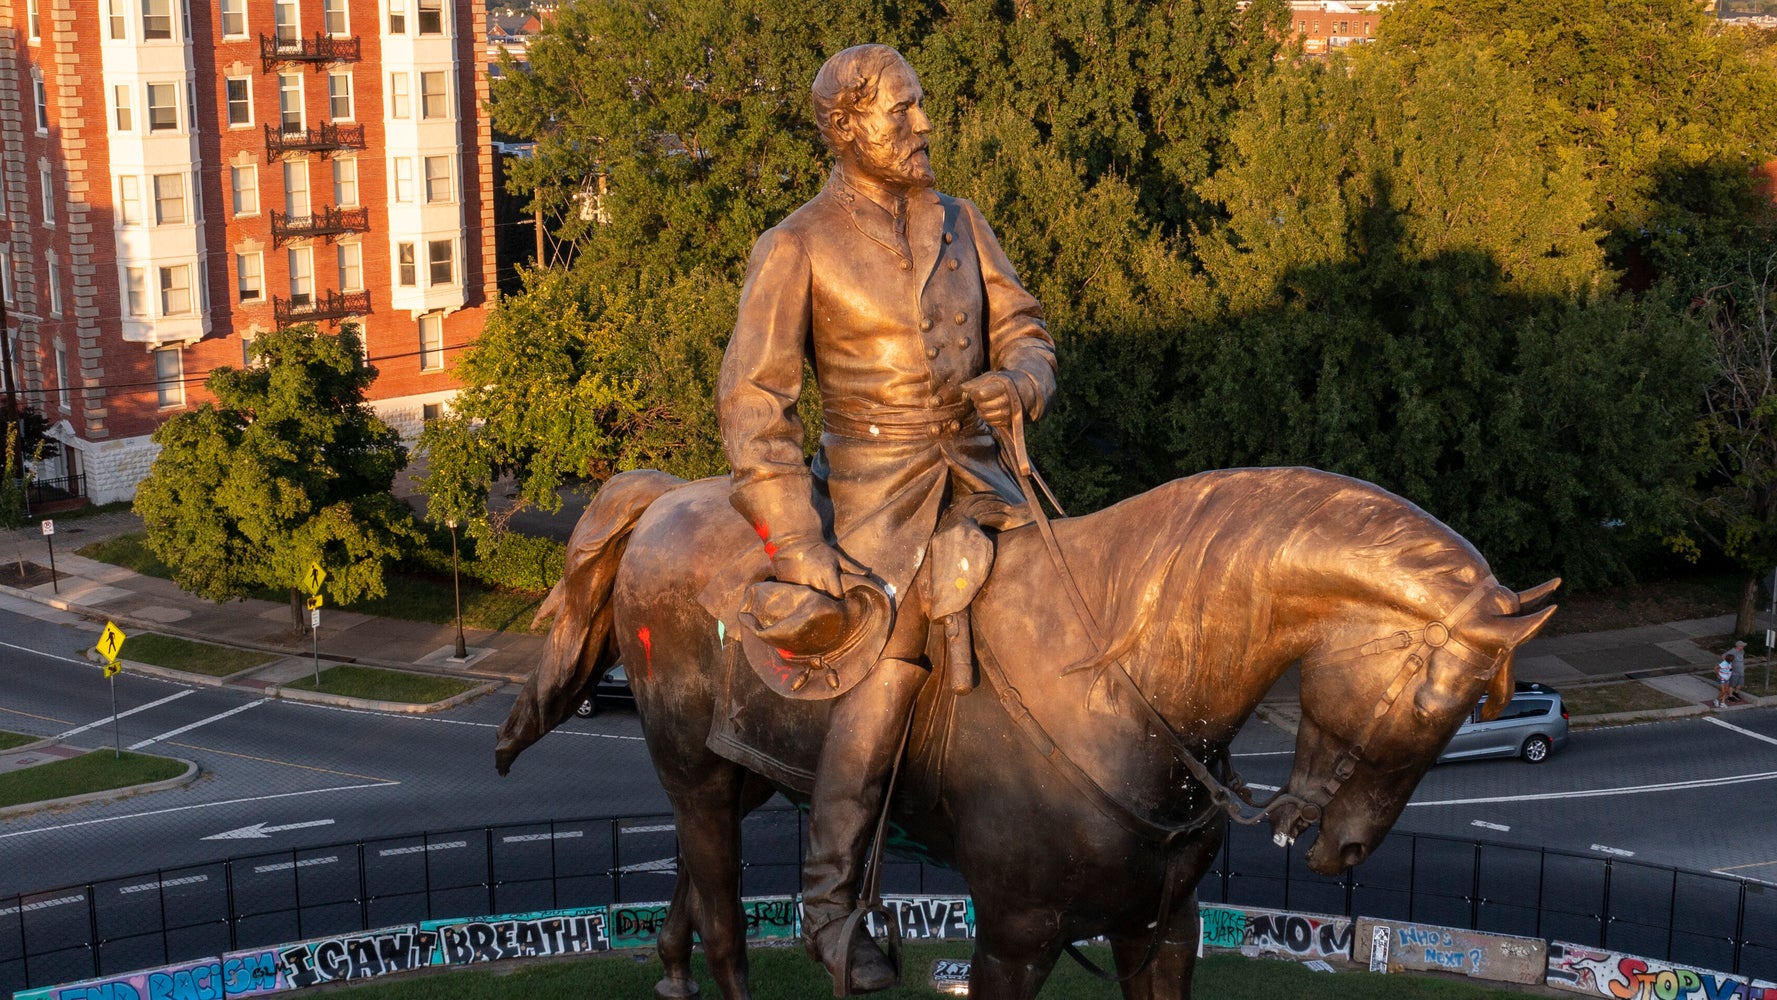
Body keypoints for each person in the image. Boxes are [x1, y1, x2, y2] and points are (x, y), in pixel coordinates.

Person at [715, 44, 1057, 993]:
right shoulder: (798, 244)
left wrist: (1019, 380)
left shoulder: (962, 220)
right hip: (876, 498)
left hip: (987, 479)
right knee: (888, 674)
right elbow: (753, 401)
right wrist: (796, 538)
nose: (922, 126)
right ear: (846, 127)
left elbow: (1025, 326)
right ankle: (829, 907)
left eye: (919, 109)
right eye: (901, 113)